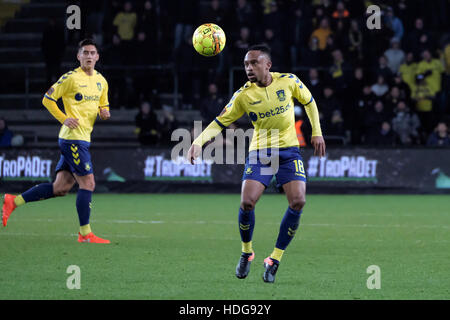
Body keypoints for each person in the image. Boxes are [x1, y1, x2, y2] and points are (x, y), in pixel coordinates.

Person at [187, 45, 325, 283]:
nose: (249, 68)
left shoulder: (289, 81)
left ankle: (275, 258)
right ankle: (246, 252)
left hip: (290, 152)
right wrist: (198, 142)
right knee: (247, 202)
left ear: (267, 65)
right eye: (246, 64)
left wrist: (317, 132)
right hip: (261, 152)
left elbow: (310, 102)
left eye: (254, 63)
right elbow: (219, 121)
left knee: (299, 201)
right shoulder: (243, 95)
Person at [2, 39, 111, 244]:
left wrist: (104, 113)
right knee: (88, 183)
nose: (88, 56)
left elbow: (103, 107)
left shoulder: (101, 81)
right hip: (73, 139)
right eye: (85, 53)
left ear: (97, 57)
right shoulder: (70, 78)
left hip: (83, 139)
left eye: (92, 53)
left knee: (60, 188)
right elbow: (47, 99)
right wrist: (64, 118)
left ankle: (13, 201)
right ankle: (85, 233)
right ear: (78, 56)